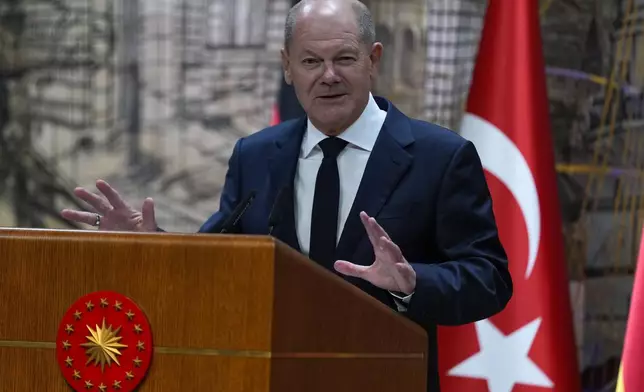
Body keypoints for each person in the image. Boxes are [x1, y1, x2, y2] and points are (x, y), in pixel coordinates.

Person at [61, 0, 513, 390]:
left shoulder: (440, 157)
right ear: (287, 66)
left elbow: (489, 278)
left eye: (345, 59)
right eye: (311, 62)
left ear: (373, 59)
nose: (328, 76)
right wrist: (155, 243)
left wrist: (414, 283)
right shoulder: (256, 156)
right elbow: (225, 263)